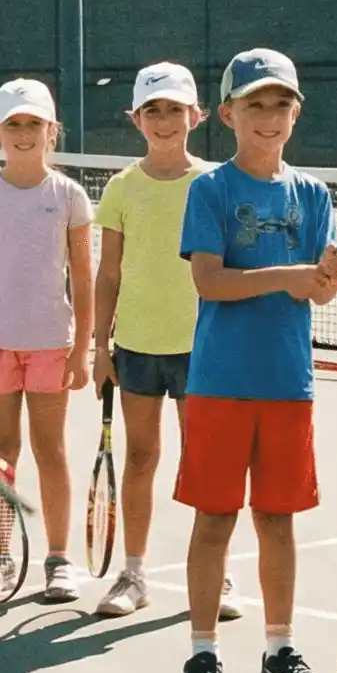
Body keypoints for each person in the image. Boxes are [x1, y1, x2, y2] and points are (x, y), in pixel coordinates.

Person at [172, 48, 337, 673]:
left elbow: (317, 292)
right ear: (228, 115)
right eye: (255, 105)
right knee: (214, 519)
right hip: (219, 382)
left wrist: (327, 276)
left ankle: (279, 653)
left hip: (287, 383)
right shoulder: (210, 190)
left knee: (277, 520)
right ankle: (202, 655)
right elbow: (209, 281)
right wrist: (290, 276)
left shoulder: (314, 196)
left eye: (281, 104)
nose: (269, 117)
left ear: (296, 113)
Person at [88, 63, 237, 619]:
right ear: (136, 119)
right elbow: (108, 273)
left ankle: (216, 573)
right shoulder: (122, 188)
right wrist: (99, 348)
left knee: (205, 462)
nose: (164, 120)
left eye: (175, 109)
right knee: (141, 457)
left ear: (196, 116)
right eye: (153, 110)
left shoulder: (216, 183)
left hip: (204, 348)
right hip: (136, 347)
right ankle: (133, 573)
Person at [0, 79, 94, 603]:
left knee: (50, 450)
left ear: (52, 130)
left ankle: (58, 560)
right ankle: (0, 557)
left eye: (34, 123)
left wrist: (83, 348)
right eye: (14, 123)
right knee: (1, 451)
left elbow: (84, 277)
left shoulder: (70, 196)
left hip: (51, 345)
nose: (24, 132)